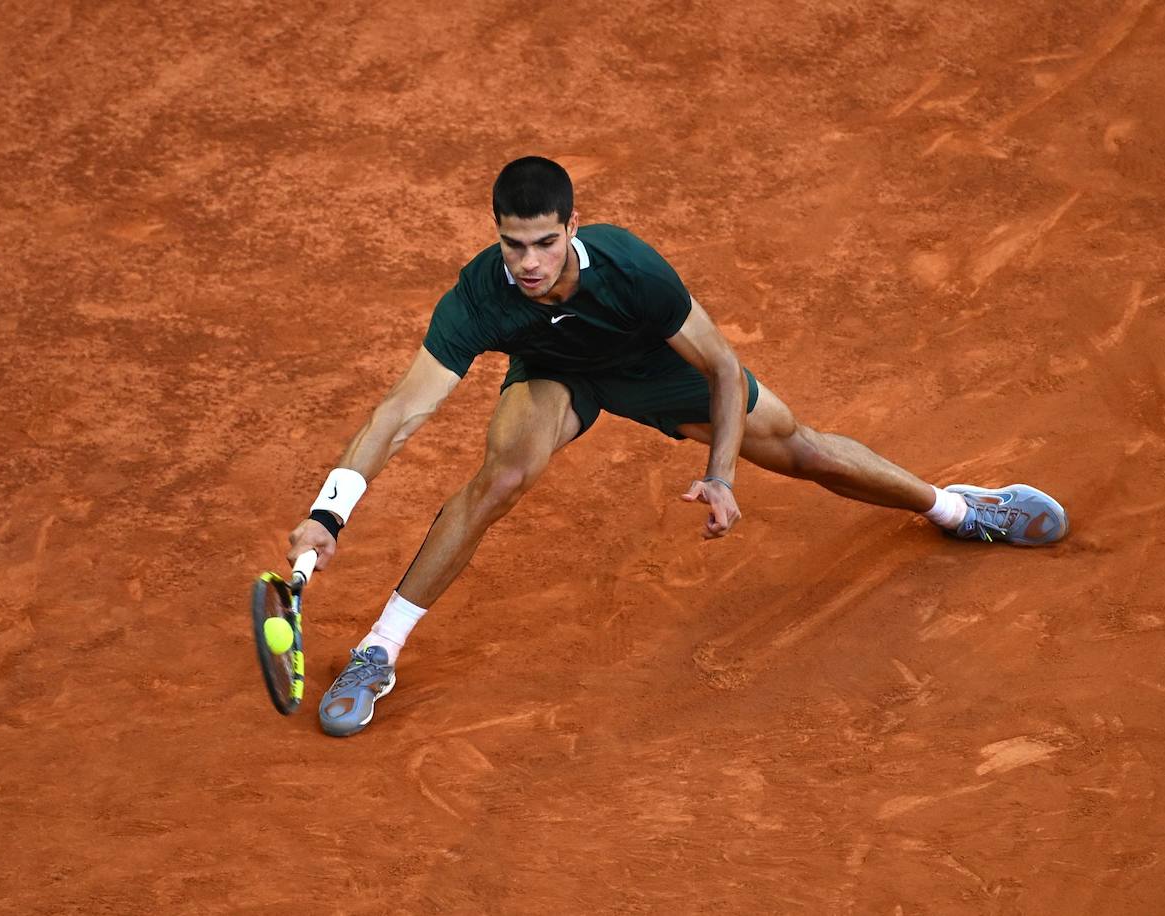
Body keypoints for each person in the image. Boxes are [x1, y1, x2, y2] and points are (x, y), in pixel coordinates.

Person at [285, 156, 1069, 737]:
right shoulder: (479, 298)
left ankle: (961, 508)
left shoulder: (631, 268)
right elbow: (398, 413)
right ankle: (377, 650)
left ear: (572, 229)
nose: (527, 263)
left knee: (802, 450)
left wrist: (721, 474)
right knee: (502, 477)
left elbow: (723, 368)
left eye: (544, 244)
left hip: (653, 370)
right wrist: (330, 512)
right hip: (558, 377)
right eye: (513, 245)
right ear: (497, 237)